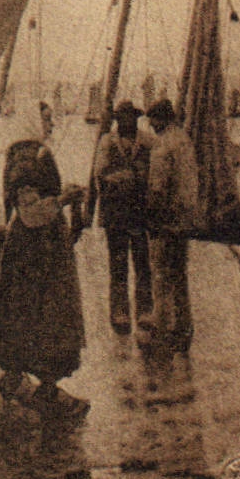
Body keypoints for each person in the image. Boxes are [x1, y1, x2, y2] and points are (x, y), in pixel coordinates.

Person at [0, 103, 88, 421]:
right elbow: (30, 215)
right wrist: (63, 199)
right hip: (33, 254)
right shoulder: (23, 162)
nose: (50, 123)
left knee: (29, 316)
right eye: (45, 118)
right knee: (41, 316)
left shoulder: (34, 155)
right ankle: (45, 390)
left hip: (42, 249)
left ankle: (14, 379)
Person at [91, 100, 153, 335]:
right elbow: (100, 173)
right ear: (117, 120)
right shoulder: (107, 142)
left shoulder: (147, 141)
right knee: (118, 264)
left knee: (142, 263)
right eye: (122, 117)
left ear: (136, 119)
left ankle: (145, 310)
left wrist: (138, 177)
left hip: (140, 212)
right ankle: (120, 311)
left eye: (131, 117)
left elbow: (156, 171)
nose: (127, 121)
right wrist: (126, 177)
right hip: (116, 212)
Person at [143, 99, 199, 352]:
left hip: (167, 219)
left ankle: (162, 328)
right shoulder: (184, 140)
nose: (151, 126)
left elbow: (157, 188)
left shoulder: (162, 145)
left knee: (161, 274)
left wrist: (151, 218)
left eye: (153, 120)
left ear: (160, 119)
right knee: (180, 274)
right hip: (185, 217)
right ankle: (184, 326)